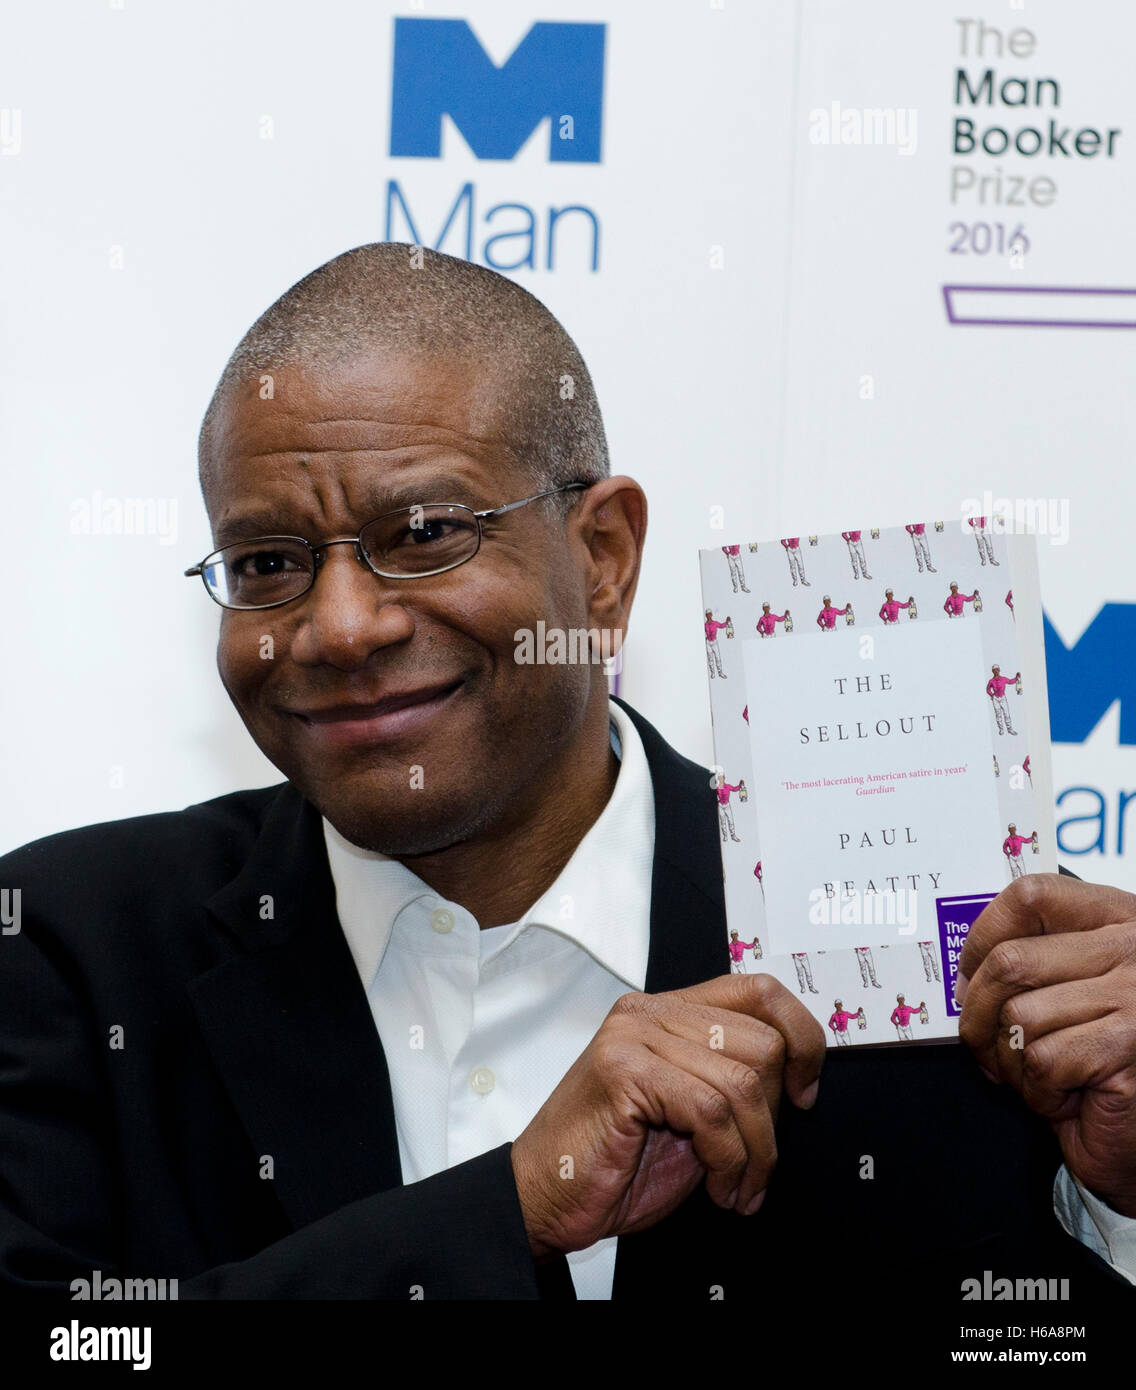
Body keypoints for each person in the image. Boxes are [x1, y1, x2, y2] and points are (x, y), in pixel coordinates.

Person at [3, 246, 1136, 1320]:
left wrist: (1119, 1205)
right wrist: (509, 1210)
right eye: (266, 563)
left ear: (601, 560)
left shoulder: (940, 956)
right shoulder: (66, 952)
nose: (340, 625)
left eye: (425, 531)